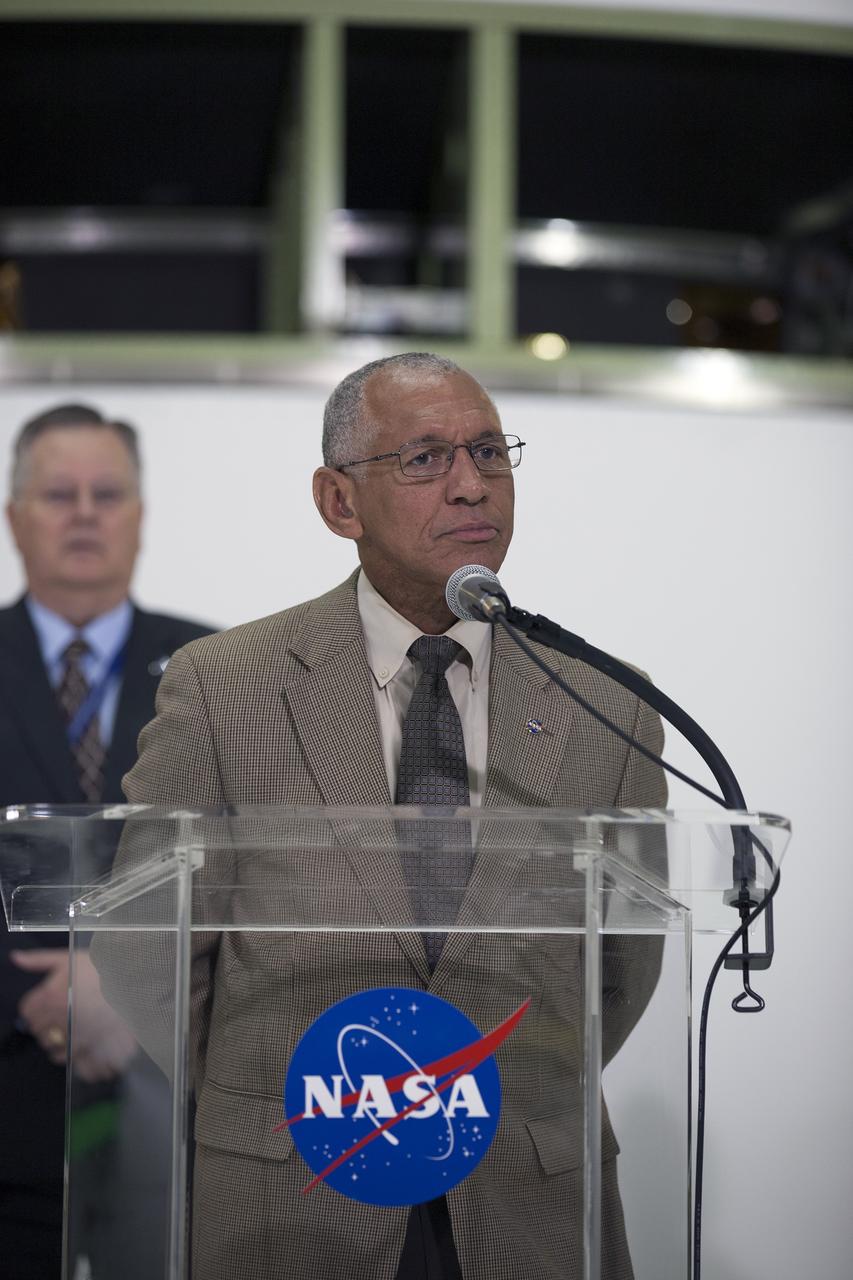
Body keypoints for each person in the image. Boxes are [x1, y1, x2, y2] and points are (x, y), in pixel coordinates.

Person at [103, 353, 666, 1279]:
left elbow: (624, 964)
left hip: (523, 1192)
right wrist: (277, 1092)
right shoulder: (223, 687)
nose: (470, 484)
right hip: (294, 1182)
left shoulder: (604, 700)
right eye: (425, 458)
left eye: (489, 452)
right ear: (337, 502)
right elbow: (142, 944)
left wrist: (505, 1085)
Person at [0, 403, 214, 1280]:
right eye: (58, 494)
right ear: (15, 518)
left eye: (106, 493)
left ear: (139, 516)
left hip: (166, 1083)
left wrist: (120, 981)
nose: (84, 512)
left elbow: (244, 863)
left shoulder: (216, 668)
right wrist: (37, 996)